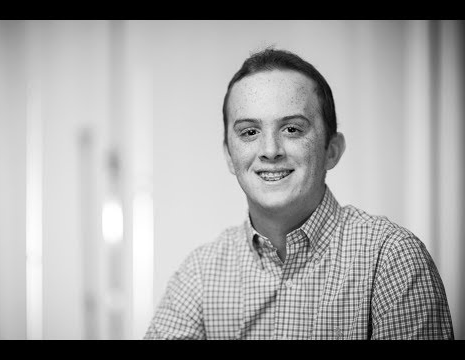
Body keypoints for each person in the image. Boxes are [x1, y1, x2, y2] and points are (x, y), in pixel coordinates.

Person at [144, 48, 454, 340]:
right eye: (249, 132)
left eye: (292, 129)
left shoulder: (391, 259)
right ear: (229, 156)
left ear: (332, 150)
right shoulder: (199, 274)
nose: (270, 151)